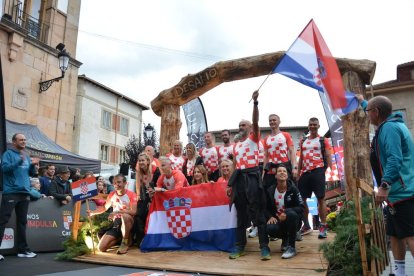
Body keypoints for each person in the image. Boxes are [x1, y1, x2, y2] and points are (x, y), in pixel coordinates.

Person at [358, 95, 414, 276]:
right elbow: (374, 107)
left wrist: (384, 185)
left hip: (403, 193)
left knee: (410, 235)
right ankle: (399, 273)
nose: (367, 115)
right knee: (395, 235)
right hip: (396, 194)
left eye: (368, 112)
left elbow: (394, 159)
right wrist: (362, 102)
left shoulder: (389, 129)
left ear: (376, 113)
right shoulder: (391, 123)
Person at [227, 90, 270, 261]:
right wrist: (230, 185)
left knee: (258, 213)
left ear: (250, 128)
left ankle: (264, 247)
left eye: (244, 125)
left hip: (253, 176)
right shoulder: (235, 146)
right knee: (241, 215)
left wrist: (255, 103)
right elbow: (235, 166)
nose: (241, 127)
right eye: (239, 125)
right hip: (239, 179)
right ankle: (240, 246)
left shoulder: (254, 139)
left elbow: (256, 120)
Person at [0, 133, 38, 260]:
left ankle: (23, 250)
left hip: (24, 193)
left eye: (25, 140)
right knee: (3, 221)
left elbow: (31, 174)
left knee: (22, 222)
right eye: (21, 140)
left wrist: (33, 165)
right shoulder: (8, 154)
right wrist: (18, 161)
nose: (24, 141)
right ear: (14, 142)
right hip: (11, 192)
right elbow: (4, 169)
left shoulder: (26, 156)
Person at [297, 117, 332, 238]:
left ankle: (323, 226)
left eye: (314, 124)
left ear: (318, 126)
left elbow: (328, 155)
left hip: (318, 170)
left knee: (321, 198)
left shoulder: (323, 140)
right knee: (302, 200)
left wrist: (325, 170)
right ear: (308, 125)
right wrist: (298, 173)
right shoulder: (303, 141)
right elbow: (301, 157)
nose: (312, 126)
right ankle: (306, 225)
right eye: (310, 124)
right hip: (305, 172)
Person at [88, 174, 137, 254]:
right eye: (114, 183)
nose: (116, 185)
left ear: (125, 183)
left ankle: (125, 242)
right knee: (101, 248)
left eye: (119, 182)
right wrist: (93, 212)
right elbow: (104, 208)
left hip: (129, 222)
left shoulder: (131, 194)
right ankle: (120, 239)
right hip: (116, 224)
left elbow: (134, 211)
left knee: (125, 216)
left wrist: (118, 212)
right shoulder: (111, 194)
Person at [265, 165, 305, 259]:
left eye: (284, 171)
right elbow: (265, 207)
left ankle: (292, 247)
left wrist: (286, 212)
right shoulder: (270, 190)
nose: (282, 172)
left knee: (291, 214)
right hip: (279, 221)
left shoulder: (293, 189)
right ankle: (285, 239)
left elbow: (301, 207)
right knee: (270, 228)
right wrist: (270, 216)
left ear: (287, 175)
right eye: (279, 171)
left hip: (293, 220)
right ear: (275, 176)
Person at [263, 114, 297, 189]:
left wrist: (295, 168)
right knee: (271, 192)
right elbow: (265, 156)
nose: (272, 122)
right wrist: (263, 173)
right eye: (270, 120)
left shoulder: (286, 135)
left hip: (284, 167)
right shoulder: (266, 139)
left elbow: (292, 152)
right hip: (271, 169)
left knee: (288, 190)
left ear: (279, 122)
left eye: (274, 120)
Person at [134, 152, 160, 245]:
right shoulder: (139, 172)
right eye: (139, 160)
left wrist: (151, 200)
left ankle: (152, 240)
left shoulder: (155, 171)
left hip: (155, 197)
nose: (141, 162)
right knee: (139, 215)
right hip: (144, 197)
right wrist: (138, 199)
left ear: (148, 161)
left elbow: (158, 186)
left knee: (151, 216)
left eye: (143, 160)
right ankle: (140, 240)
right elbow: (138, 188)